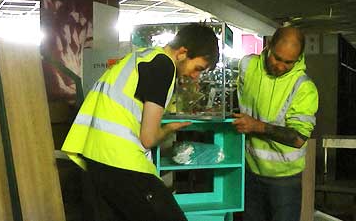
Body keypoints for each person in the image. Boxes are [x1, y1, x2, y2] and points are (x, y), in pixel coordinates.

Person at [61, 23, 219, 221]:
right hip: (120, 161)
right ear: (182, 52)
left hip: (94, 157)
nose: (195, 76)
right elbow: (148, 138)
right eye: (198, 68)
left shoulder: (141, 57)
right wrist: (169, 128)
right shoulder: (164, 66)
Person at [232, 26, 318, 221]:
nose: (280, 66)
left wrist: (257, 126)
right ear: (268, 45)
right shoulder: (247, 66)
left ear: (298, 58)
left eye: (288, 62)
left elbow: (298, 138)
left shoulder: (304, 88)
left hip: (284, 180)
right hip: (249, 170)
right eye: (277, 58)